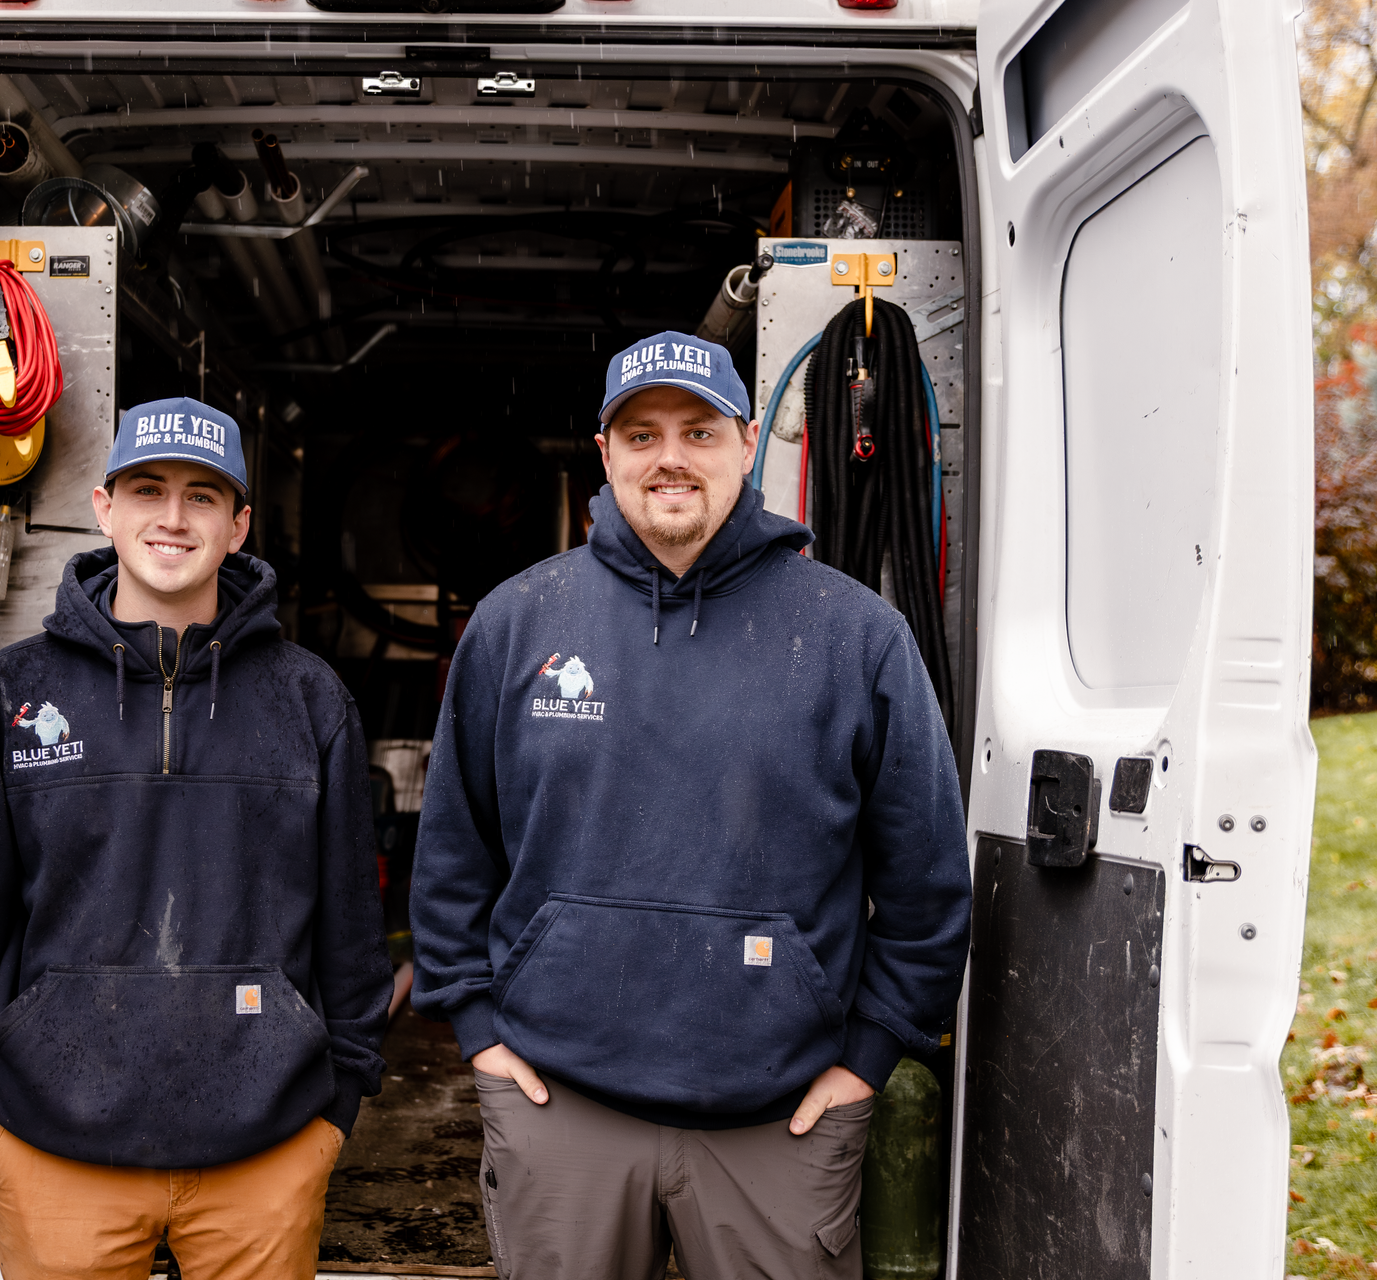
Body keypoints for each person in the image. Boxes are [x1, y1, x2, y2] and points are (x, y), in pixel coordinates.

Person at [410, 333, 971, 1280]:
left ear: (748, 445)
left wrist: (866, 1059)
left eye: (699, 431)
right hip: (559, 1108)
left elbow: (927, 879)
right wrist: (478, 1034)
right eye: (641, 434)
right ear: (605, 455)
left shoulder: (854, 635)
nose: (669, 457)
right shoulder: (518, 622)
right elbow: (454, 851)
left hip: (781, 1122)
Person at [0, 395, 392, 1280]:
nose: (173, 517)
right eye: (149, 489)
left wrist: (338, 1109)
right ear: (105, 508)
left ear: (239, 525)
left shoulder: (309, 699)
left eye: (203, 496)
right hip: (55, 1154)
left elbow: (354, 925)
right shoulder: (18, 690)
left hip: (266, 1154)